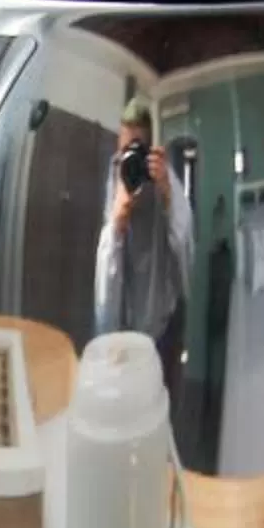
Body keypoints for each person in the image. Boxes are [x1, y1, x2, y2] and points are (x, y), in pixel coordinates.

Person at [92, 99, 194, 373]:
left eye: (138, 149)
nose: (132, 159)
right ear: (118, 145)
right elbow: (105, 269)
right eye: (127, 149)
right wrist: (118, 220)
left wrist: (167, 194)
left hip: (161, 323)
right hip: (122, 325)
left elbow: (184, 244)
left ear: (149, 149)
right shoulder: (116, 174)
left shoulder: (162, 175)